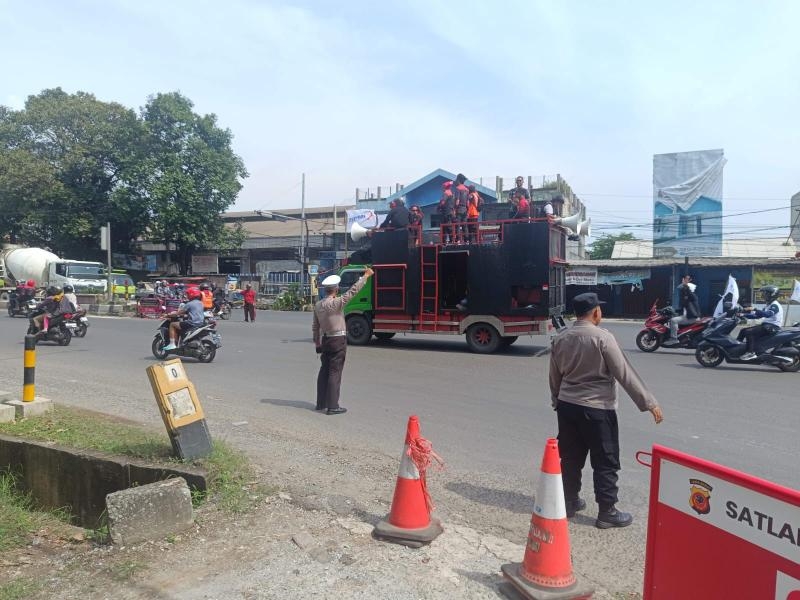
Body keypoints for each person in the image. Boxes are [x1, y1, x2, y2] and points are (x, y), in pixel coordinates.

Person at [549, 292, 663, 528]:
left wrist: (557, 400)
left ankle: (569, 502)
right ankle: (607, 512)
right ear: (595, 312)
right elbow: (624, 373)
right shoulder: (603, 338)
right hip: (597, 409)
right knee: (605, 461)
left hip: (567, 407)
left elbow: (554, 375)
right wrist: (649, 403)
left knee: (570, 458)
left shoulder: (561, 338)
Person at [312, 267, 374, 415]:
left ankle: (321, 403)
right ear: (336, 289)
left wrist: (317, 343)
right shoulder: (336, 303)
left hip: (326, 339)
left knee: (324, 371)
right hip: (338, 340)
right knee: (335, 372)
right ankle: (333, 406)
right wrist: (365, 276)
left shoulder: (318, 305)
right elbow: (352, 292)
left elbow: (315, 327)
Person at [739, 285, 783, 360]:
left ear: (772, 295)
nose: (763, 295)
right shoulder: (768, 305)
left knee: (749, 332)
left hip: (772, 327)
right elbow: (757, 316)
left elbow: (768, 314)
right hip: (767, 326)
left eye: (765, 293)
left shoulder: (775, 305)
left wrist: (755, 309)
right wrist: (742, 315)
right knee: (743, 331)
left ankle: (750, 353)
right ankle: (737, 349)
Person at [163, 286, 205, 351]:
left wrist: (168, 315)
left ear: (191, 294)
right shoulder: (201, 303)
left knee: (172, 324)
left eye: (188, 294)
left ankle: (172, 344)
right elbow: (193, 312)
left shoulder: (189, 304)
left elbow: (178, 313)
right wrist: (184, 315)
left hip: (192, 323)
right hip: (201, 323)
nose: (187, 295)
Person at [663, 275, 700, 346]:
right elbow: (682, 308)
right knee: (675, 318)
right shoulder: (688, 298)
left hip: (692, 317)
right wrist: (674, 312)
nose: (682, 292)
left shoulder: (692, 296)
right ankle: (679, 335)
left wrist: (685, 285)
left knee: (673, 320)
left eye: (683, 290)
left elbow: (687, 291)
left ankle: (674, 339)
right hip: (689, 316)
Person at [453, 173, 470, 242]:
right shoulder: (467, 189)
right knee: (465, 225)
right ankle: (467, 240)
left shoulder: (458, 188)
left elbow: (457, 201)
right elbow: (468, 202)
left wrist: (454, 208)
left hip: (459, 209)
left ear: (459, 180)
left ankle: (458, 240)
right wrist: (467, 210)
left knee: (458, 225)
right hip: (465, 209)